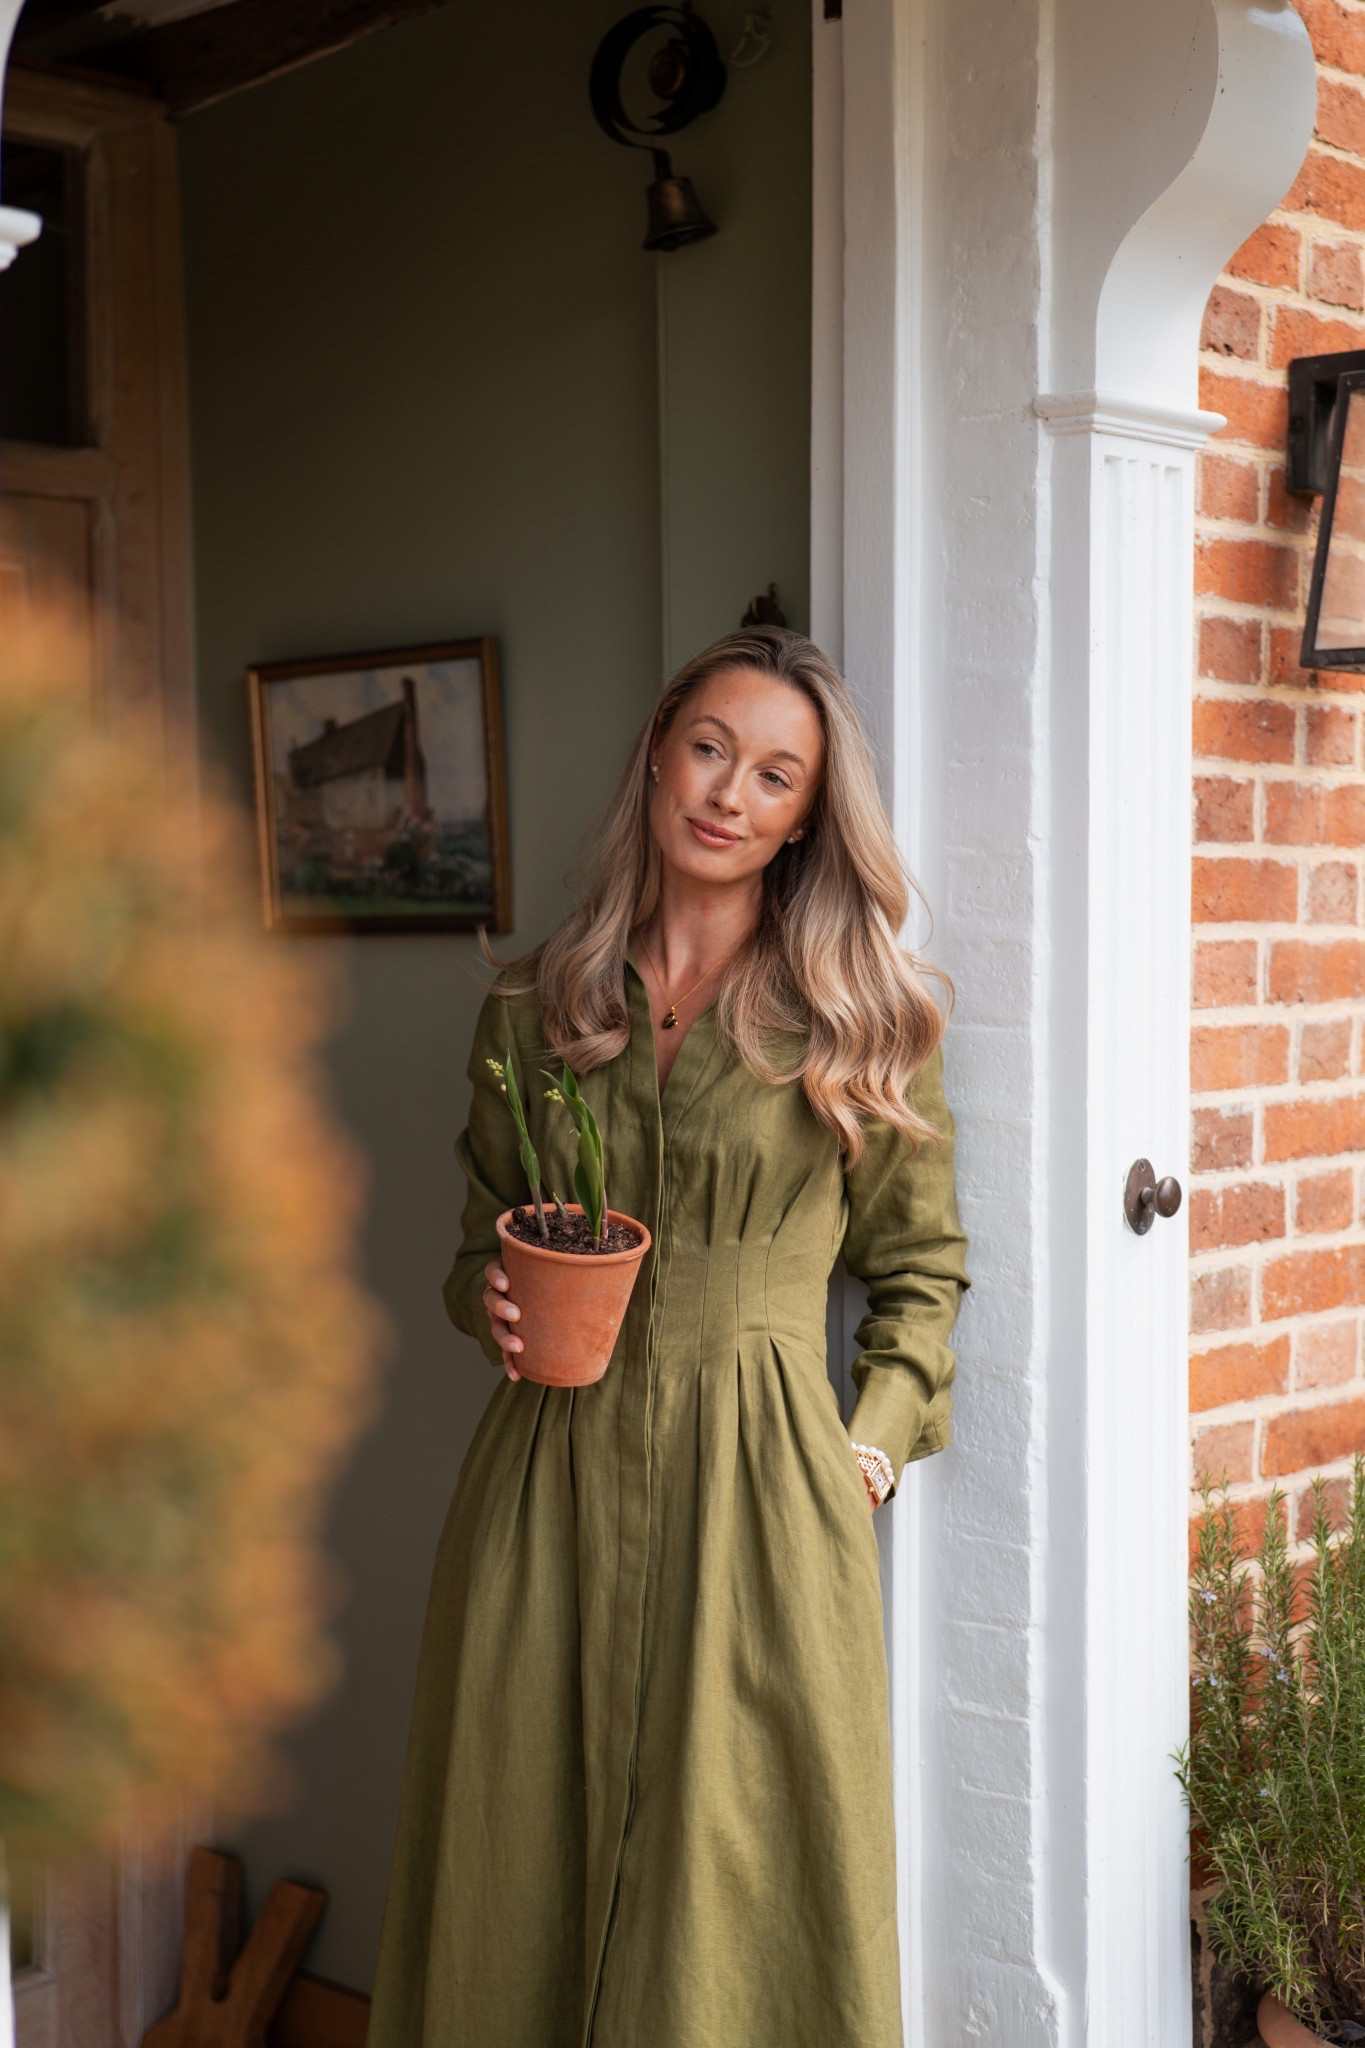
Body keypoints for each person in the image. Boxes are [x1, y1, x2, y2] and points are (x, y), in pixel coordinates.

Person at [366, 626, 970, 2048]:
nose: (728, 793)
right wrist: (491, 1305)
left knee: (743, 1885)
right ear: (656, 752)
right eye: (709, 748)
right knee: (509, 1853)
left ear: (806, 817)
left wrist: (866, 1452)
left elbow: (922, 1270)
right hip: (544, 1476)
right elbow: (480, 1242)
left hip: (761, 1495)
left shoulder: (860, 1020)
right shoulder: (535, 1004)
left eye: (774, 774)